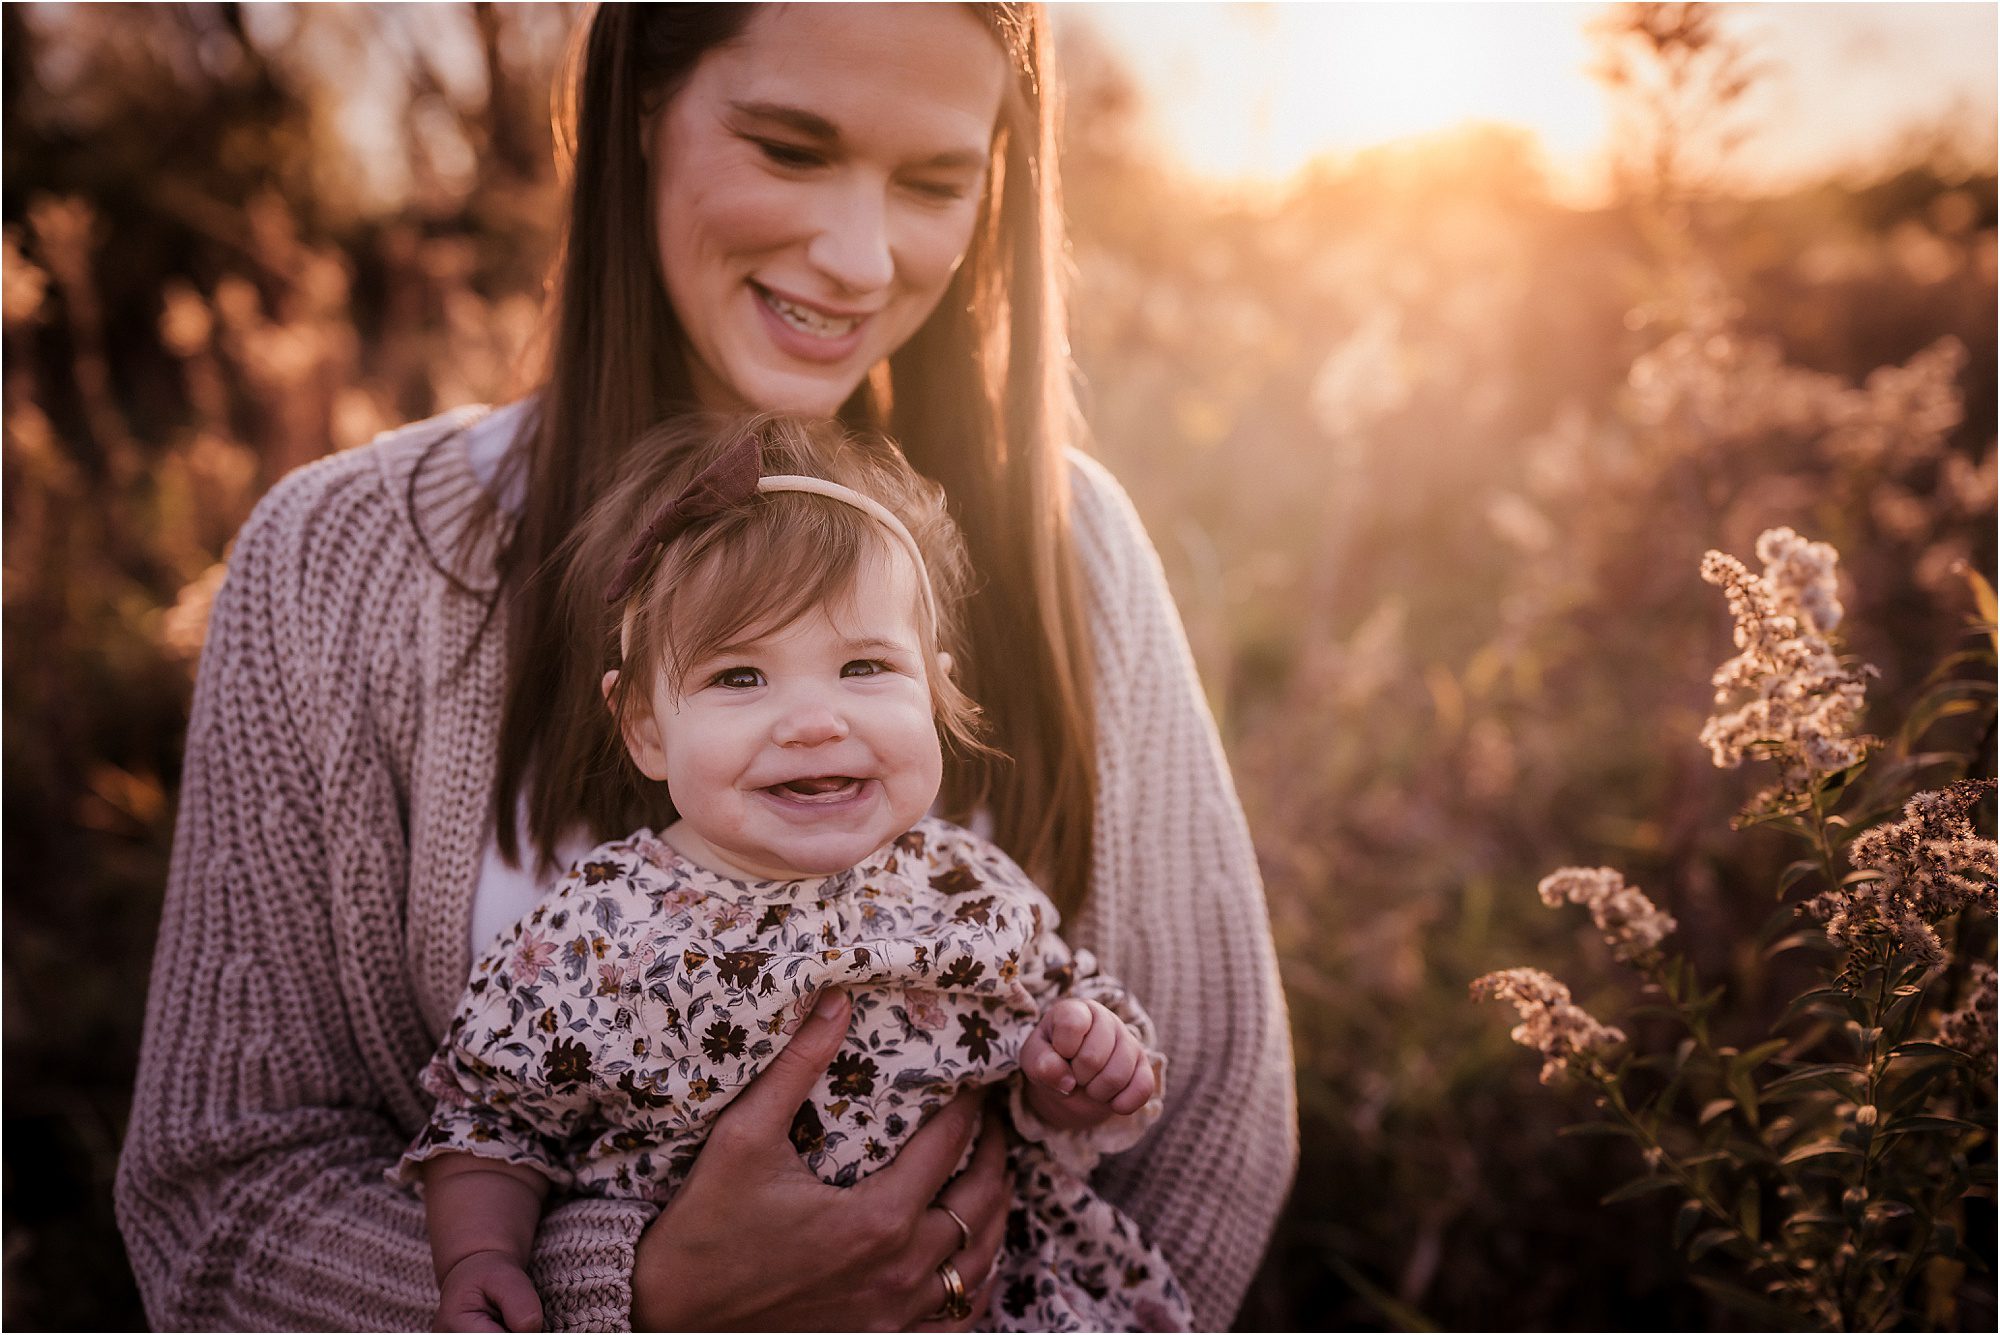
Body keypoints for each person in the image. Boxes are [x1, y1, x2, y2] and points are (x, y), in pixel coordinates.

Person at [116, 5, 1296, 1330]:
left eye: (933, 180)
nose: (859, 257)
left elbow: (1207, 1131)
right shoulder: (334, 562)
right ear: (638, 115)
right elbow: (220, 1193)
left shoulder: (1070, 551)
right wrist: (641, 1292)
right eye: (792, 148)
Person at [405, 413, 1191, 1334]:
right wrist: (482, 1256)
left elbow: (1049, 1039)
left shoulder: (963, 883)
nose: (815, 720)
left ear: (935, 692)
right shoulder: (595, 933)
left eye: (865, 665)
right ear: (646, 726)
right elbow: (489, 1120)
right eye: (741, 676)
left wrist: (1073, 1075)